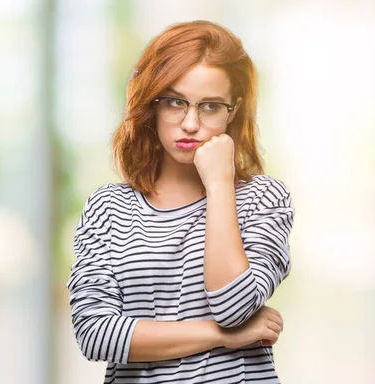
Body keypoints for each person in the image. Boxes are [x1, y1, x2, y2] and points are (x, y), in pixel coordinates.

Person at [66, 20, 294, 383]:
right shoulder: (108, 208)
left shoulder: (263, 199)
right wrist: (222, 336)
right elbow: (95, 335)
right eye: (175, 102)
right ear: (151, 105)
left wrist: (220, 185)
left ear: (232, 111)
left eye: (210, 106)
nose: (190, 123)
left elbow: (233, 306)